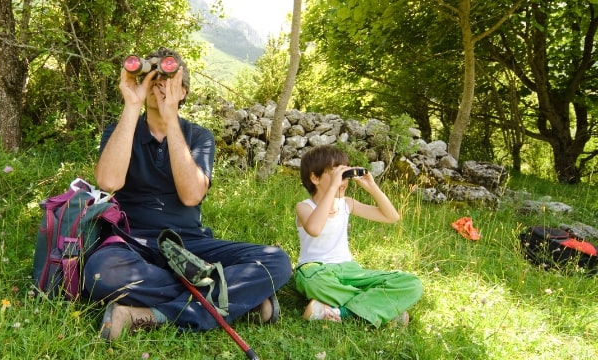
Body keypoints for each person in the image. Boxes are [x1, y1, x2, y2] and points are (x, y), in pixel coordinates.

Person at [83, 47, 292, 340]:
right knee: (100, 273)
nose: (160, 86)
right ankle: (234, 298)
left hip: (188, 244)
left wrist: (170, 121)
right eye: (152, 80)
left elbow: (192, 195)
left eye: (168, 81)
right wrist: (132, 105)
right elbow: (108, 181)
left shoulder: (199, 136)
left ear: (183, 92)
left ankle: (148, 315)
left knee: (277, 261)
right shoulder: (120, 130)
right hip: (131, 240)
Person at [294, 145, 422, 327]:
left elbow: (391, 217)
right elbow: (315, 228)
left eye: (345, 173)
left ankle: (339, 312)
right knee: (312, 282)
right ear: (314, 177)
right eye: (335, 174)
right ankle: (381, 307)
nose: (342, 180)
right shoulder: (304, 206)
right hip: (316, 269)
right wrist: (332, 188)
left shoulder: (346, 204)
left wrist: (372, 187)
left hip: (349, 270)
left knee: (412, 283)